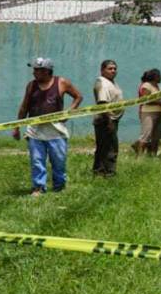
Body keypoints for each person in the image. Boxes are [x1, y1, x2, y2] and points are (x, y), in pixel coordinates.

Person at [13, 57, 82, 195]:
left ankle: (59, 186)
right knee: (37, 160)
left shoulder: (61, 82)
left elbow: (78, 96)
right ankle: (38, 187)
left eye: (37, 70)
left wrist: (69, 112)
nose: (34, 73)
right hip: (35, 131)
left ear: (46, 71)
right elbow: (24, 106)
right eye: (34, 70)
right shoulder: (31, 86)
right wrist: (17, 127)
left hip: (56, 130)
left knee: (59, 161)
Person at [92, 59, 124, 177]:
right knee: (110, 148)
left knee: (104, 147)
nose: (113, 71)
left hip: (112, 120)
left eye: (115, 69)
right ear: (102, 70)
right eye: (110, 68)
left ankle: (99, 171)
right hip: (105, 120)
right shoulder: (102, 83)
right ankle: (108, 173)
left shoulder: (111, 82)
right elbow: (102, 103)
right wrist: (109, 121)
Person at [132, 69, 161, 156]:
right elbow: (146, 100)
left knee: (156, 137)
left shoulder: (159, 86)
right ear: (154, 76)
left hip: (159, 112)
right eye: (159, 75)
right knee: (146, 135)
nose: (160, 77)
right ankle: (139, 156)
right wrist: (160, 102)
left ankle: (153, 155)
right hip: (149, 113)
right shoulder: (146, 85)